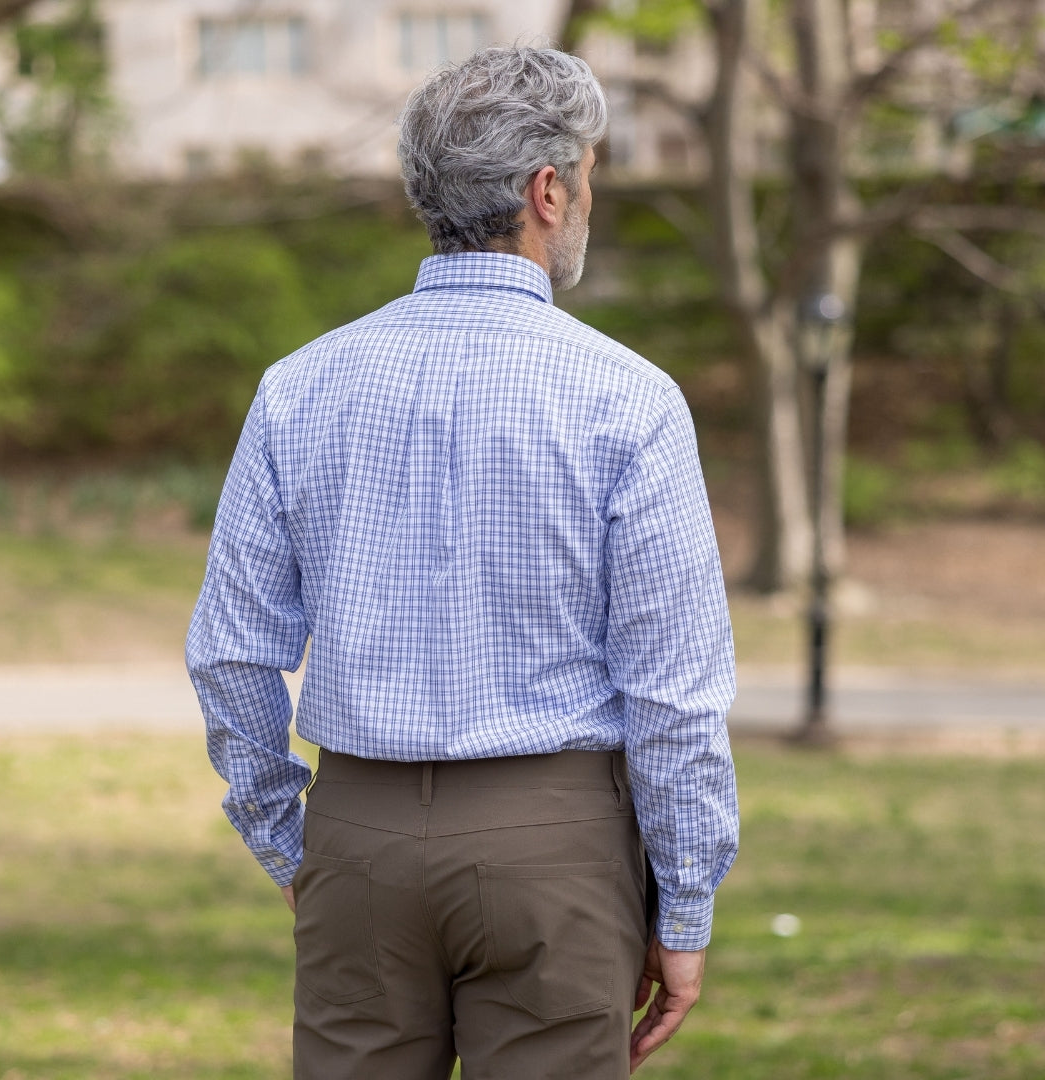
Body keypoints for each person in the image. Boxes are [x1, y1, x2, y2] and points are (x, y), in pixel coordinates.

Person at [187, 45, 738, 1080]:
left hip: (355, 834)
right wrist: (687, 902)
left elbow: (230, 652)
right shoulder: (630, 399)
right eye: (590, 174)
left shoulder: (300, 387)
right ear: (546, 191)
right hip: (557, 847)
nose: (589, 198)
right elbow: (674, 692)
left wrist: (290, 839)